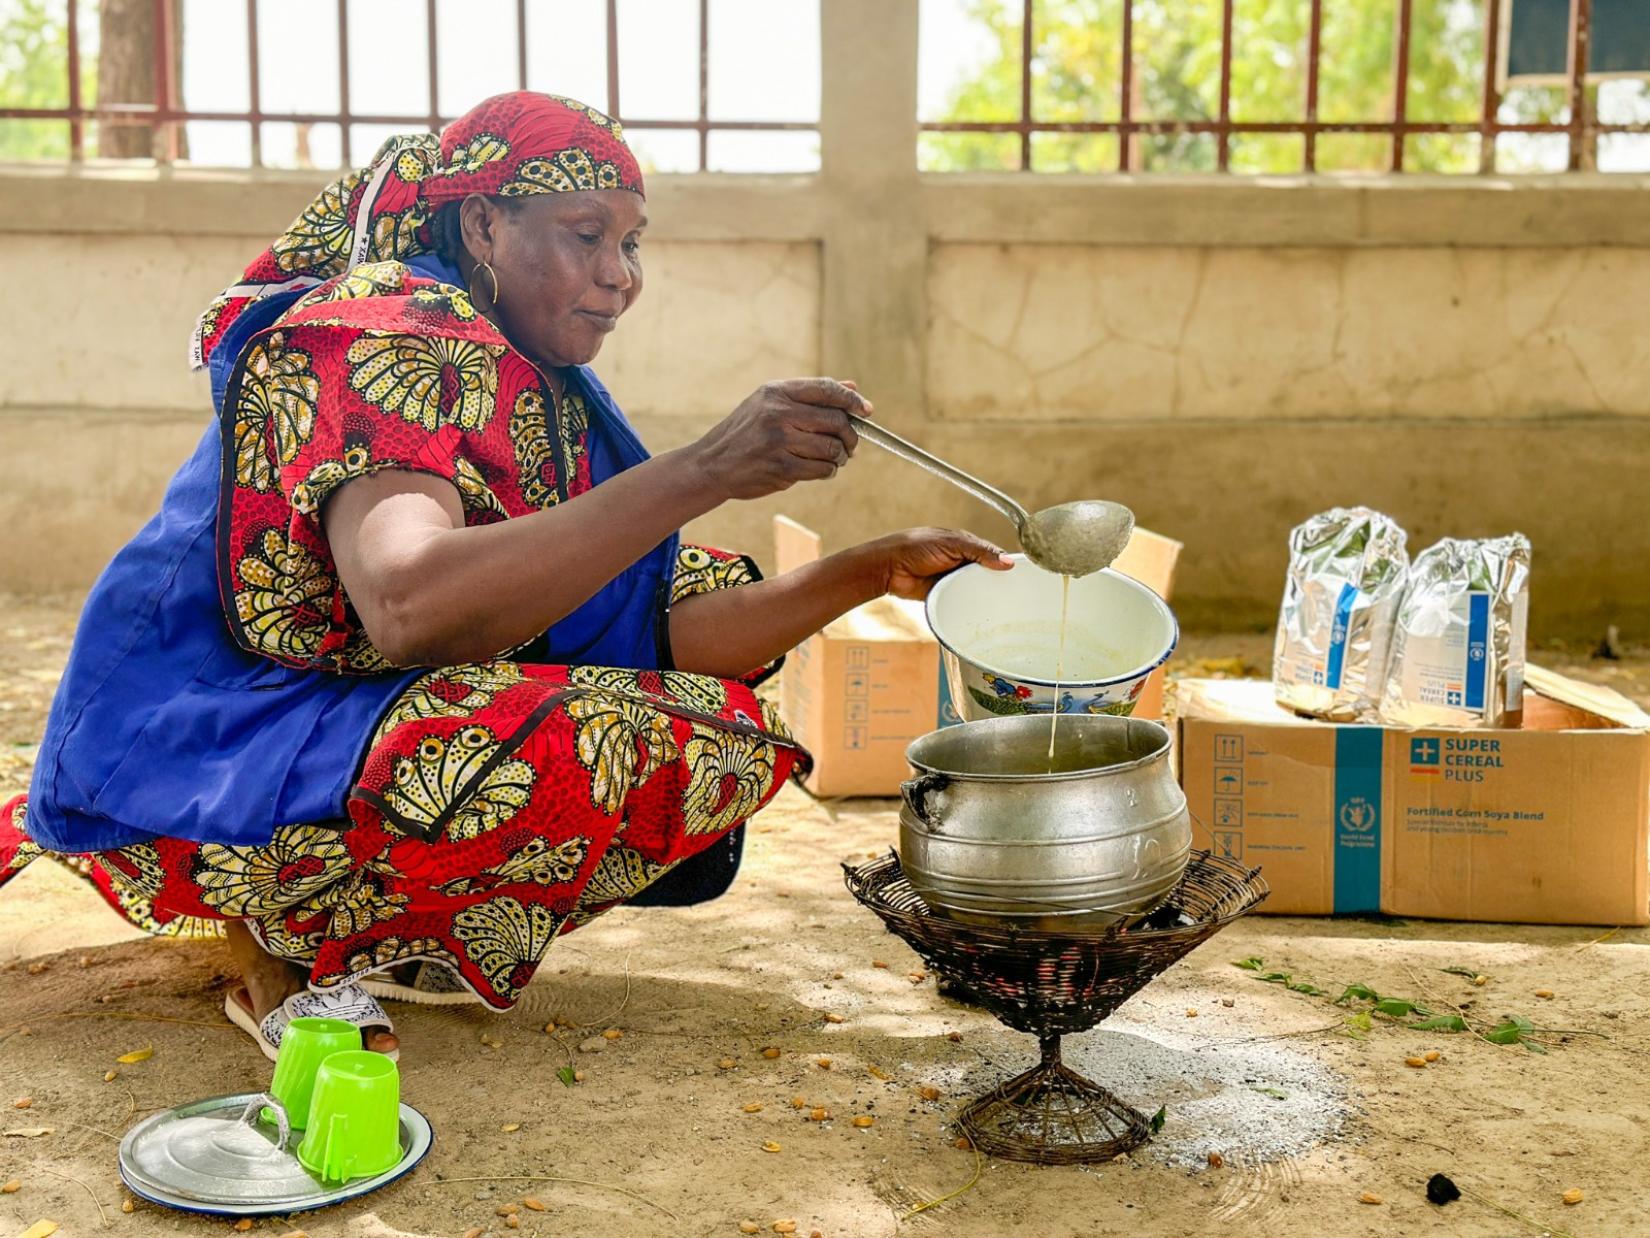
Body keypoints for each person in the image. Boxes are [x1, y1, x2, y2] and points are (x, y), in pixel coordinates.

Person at [0, 92, 1008, 1060]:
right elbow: (409, 602)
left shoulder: (542, 390)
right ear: (483, 225)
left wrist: (875, 566)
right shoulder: (385, 331)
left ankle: (383, 926)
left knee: (719, 731)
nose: (620, 274)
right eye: (585, 234)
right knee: (579, 739)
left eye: (632, 242)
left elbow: (653, 625)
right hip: (203, 741)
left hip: (334, 716)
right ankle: (278, 943)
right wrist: (703, 469)